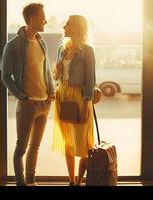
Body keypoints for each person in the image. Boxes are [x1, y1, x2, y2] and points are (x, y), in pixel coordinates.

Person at [1, 3, 55, 186]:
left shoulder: (41, 42)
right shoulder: (13, 45)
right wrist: (21, 97)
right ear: (31, 19)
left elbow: (46, 71)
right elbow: (5, 77)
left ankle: (31, 180)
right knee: (21, 148)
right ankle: (20, 183)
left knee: (35, 147)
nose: (45, 20)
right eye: (43, 17)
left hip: (44, 104)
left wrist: (52, 93)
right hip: (27, 105)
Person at [52, 15, 96, 186]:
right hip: (62, 94)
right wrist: (57, 69)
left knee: (83, 143)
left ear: (76, 27)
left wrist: (86, 104)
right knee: (68, 142)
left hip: (79, 97)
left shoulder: (87, 50)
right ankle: (72, 181)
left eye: (67, 24)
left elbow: (90, 80)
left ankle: (79, 180)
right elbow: (57, 76)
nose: (64, 26)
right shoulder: (62, 49)